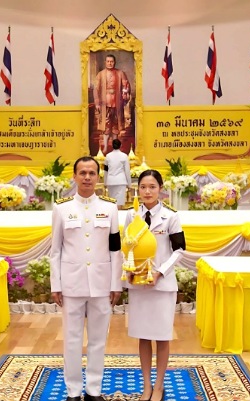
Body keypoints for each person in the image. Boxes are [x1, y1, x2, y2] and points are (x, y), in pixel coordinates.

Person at [50, 156, 123, 401]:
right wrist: (56, 284)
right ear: (74, 176)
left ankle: (93, 390)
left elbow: (115, 249)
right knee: (71, 340)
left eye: (92, 173)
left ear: (98, 176)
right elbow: (55, 250)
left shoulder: (110, 208)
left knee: (98, 340)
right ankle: (73, 391)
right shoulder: (62, 208)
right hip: (72, 284)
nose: (87, 177)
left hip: (102, 284)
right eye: (82, 173)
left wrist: (115, 284)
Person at [122, 169, 186, 401]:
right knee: (143, 335)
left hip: (162, 285)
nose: (147, 191)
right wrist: (128, 269)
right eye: (143, 187)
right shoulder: (131, 215)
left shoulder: (170, 216)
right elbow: (127, 247)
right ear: (137, 189)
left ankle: (159, 386)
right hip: (139, 285)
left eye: (152, 187)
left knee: (161, 335)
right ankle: (147, 385)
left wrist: (160, 272)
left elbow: (180, 249)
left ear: (160, 189)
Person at [93, 54, 131, 154]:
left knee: (115, 127)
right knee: (106, 127)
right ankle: (105, 147)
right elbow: (96, 89)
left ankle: (115, 148)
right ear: (105, 62)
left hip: (117, 103)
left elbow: (126, 86)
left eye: (112, 61)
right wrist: (97, 102)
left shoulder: (120, 73)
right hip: (105, 104)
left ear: (114, 62)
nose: (110, 63)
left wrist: (125, 93)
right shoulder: (100, 74)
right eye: (108, 61)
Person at [103, 139, 131, 207]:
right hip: (121, 181)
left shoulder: (108, 156)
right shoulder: (124, 156)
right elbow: (127, 171)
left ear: (112, 145)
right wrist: (129, 184)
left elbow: (106, 170)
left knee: (112, 202)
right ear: (120, 145)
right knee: (120, 202)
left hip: (110, 181)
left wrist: (105, 182)